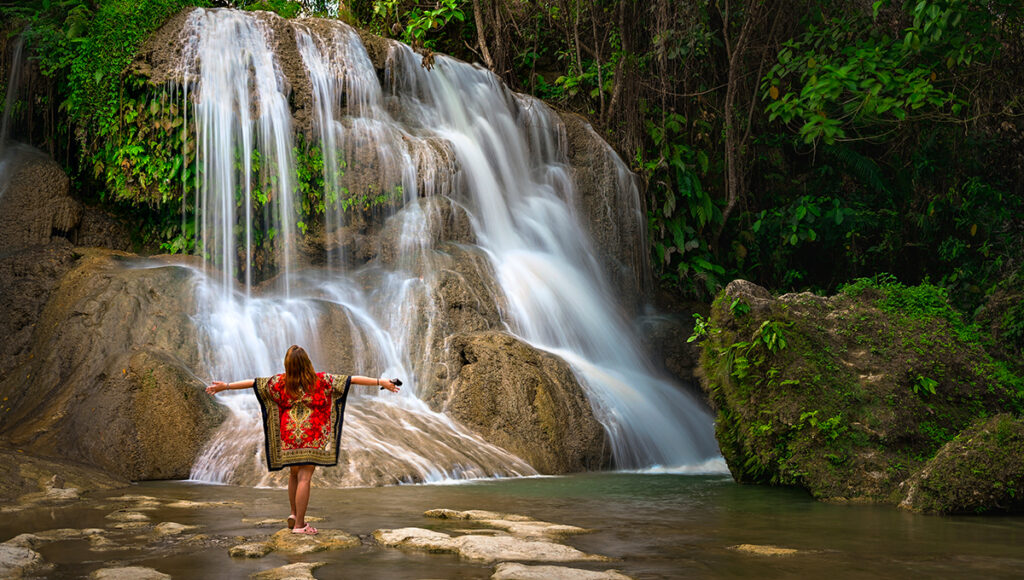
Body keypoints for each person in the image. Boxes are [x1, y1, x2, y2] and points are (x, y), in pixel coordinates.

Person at [206, 344, 400, 535]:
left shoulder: (280, 382)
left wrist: (226, 386)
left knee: (293, 475)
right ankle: (300, 525)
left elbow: (254, 383)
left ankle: (293, 513)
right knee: (305, 478)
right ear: (307, 363)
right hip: (312, 435)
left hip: (289, 433)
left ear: (287, 365)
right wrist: (380, 382)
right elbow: (352, 380)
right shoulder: (321, 381)